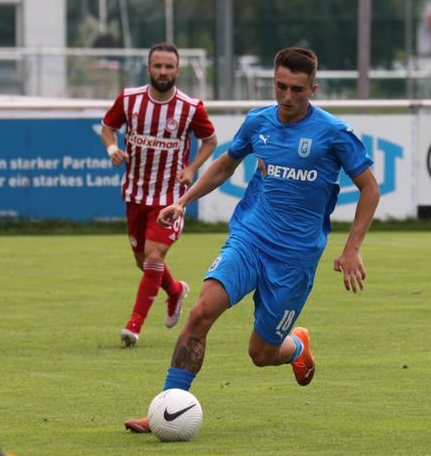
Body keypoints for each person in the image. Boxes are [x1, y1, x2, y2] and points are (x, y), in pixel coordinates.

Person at [123, 47, 380, 433]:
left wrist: (352, 247)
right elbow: (227, 163)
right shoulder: (258, 121)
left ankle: (296, 345)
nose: (287, 97)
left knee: (261, 354)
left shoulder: (333, 134)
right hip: (249, 240)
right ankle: (164, 409)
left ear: (314, 88)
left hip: (294, 259)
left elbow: (369, 189)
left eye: (297, 89)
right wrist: (183, 201)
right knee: (200, 313)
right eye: (280, 87)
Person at [101, 43, 217, 347]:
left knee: (153, 256)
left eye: (169, 67)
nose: (163, 72)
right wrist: (113, 149)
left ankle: (133, 326)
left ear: (178, 70)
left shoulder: (190, 107)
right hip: (135, 194)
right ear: (149, 68)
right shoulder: (129, 100)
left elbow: (210, 140)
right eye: (158, 66)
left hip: (170, 198)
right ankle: (176, 290)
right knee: (143, 261)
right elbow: (108, 127)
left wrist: (192, 169)